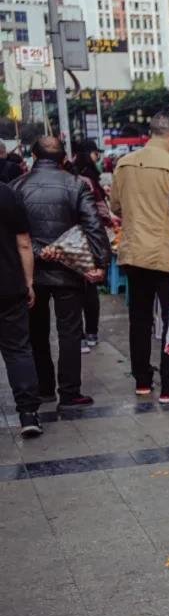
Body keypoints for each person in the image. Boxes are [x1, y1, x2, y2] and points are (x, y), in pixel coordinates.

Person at [13, 137, 110, 408]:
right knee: (70, 330)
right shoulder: (76, 185)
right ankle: (69, 391)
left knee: (37, 331)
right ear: (64, 158)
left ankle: (44, 388)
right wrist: (100, 263)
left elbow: (10, 232)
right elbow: (94, 227)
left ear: (33, 156)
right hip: (70, 268)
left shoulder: (17, 186)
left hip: (31, 271)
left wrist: (37, 250)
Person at [112, 111, 169, 402]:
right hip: (167, 253)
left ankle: (142, 380)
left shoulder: (124, 164)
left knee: (139, 318)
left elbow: (116, 206)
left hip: (133, 252)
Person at [0, 181, 43, 436]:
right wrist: (28, 282)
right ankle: (28, 414)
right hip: (8, 285)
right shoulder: (6, 193)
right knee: (18, 350)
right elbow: (24, 243)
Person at [68, 142, 111, 354]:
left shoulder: (65, 179)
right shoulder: (87, 181)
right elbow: (101, 213)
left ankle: (80, 338)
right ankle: (91, 333)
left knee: (72, 291)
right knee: (89, 287)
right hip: (88, 240)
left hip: (66, 244)